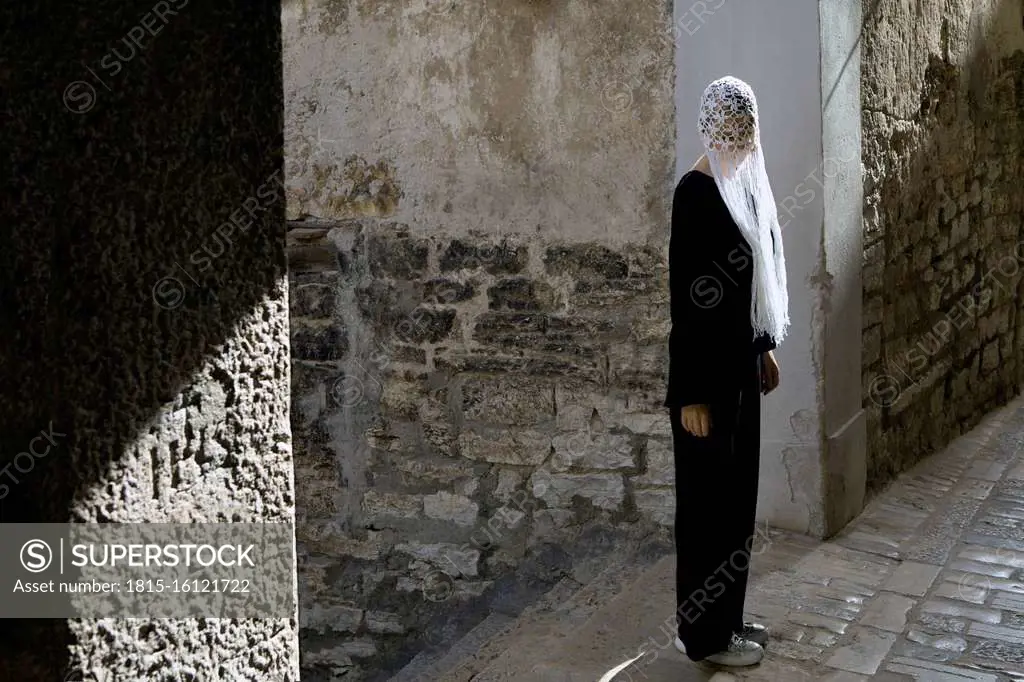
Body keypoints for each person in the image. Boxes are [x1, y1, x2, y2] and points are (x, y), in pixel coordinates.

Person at [664, 76, 790, 667]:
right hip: (705, 384)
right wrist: (689, 395)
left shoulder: (743, 189)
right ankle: (705, 638)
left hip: (741, 370)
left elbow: (752, 285)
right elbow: (686, 301)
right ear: (710, 129)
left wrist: (763, 346)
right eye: (729, 130)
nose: (739, 140)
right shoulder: (694, 193)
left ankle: (729, 619)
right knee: (706, 510)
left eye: (746, 130)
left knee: (737, 503)